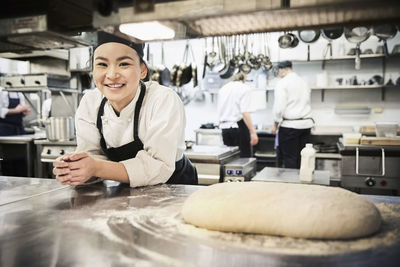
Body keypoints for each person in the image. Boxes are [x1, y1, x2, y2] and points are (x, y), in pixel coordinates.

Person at [53, 31, 197, 187]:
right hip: (128, 192)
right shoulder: (90, 102)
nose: (112, 74)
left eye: (124, 64)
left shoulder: (162, 99)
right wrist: (76, 168)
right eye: (102, 64)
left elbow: (158, 167)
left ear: (142, 70)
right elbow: (92, 156)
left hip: (174, 189)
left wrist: (96, 167)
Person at [271, 61, 314, 169]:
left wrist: (275, 125)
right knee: (303, 159)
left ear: (282, 69)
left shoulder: (282, 83)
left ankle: (292, 185)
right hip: (306, 125)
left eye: (278, 71)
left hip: (290, 127)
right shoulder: (303, 81)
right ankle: (303, 183)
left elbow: (279, 108)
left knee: (290, 159)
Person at [217, 72, 258, 157]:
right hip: (239, 127)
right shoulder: (244, 88)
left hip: (225, 128)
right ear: (244, 76)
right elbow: (245, 112)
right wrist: (253, 132)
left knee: (229, 158)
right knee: (243, 160)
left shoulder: (223, 88)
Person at [0, 86, 31, 176]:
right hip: (5, 131)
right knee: (7, 162)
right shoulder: (2, 91)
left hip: (19, 130)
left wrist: (24, 111)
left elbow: (21, 110)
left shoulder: (19, 92)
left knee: (21, 161)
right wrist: (16, 110)